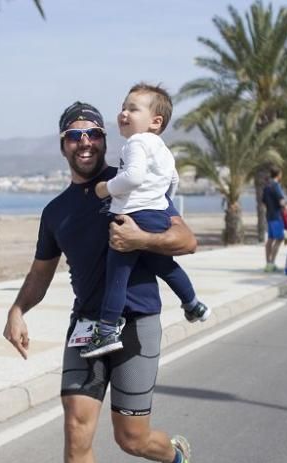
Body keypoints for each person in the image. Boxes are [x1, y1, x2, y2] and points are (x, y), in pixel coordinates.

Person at [3, 101, 197, 463]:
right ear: (63, 144)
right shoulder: (56, 212)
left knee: (131, 439)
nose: (85, 142)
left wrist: (141, 240)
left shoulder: (133, 182)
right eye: (74, 135)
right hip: (87, 323)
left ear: (105, 139)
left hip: (135, 321)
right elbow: (41, 274)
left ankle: (172, 455)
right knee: (76, 427)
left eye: (92, 133)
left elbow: (186, 240)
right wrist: (16, 309)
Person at [84, 83, 210, 358]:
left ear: (155, 121)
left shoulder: (136, 143)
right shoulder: (163, 149)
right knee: (165, 265)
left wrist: (106, 188)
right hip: (156, 215)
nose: (124, 113)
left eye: (132, 108)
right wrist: (163, 207)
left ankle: (105, 332)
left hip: (133, 216)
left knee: (118, 274)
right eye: (123, 108)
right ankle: (193, 304)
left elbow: (133, 178)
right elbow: (173, 181)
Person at [262, 167, 287, 272]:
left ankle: (268, 263)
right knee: (280, 238)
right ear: (279, 175)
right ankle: (272, 263)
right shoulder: (275, 186)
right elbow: (281, 200)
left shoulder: (266, 186)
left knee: (270, 239)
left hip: (269, 215)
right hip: (277, 215)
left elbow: (263, 201)